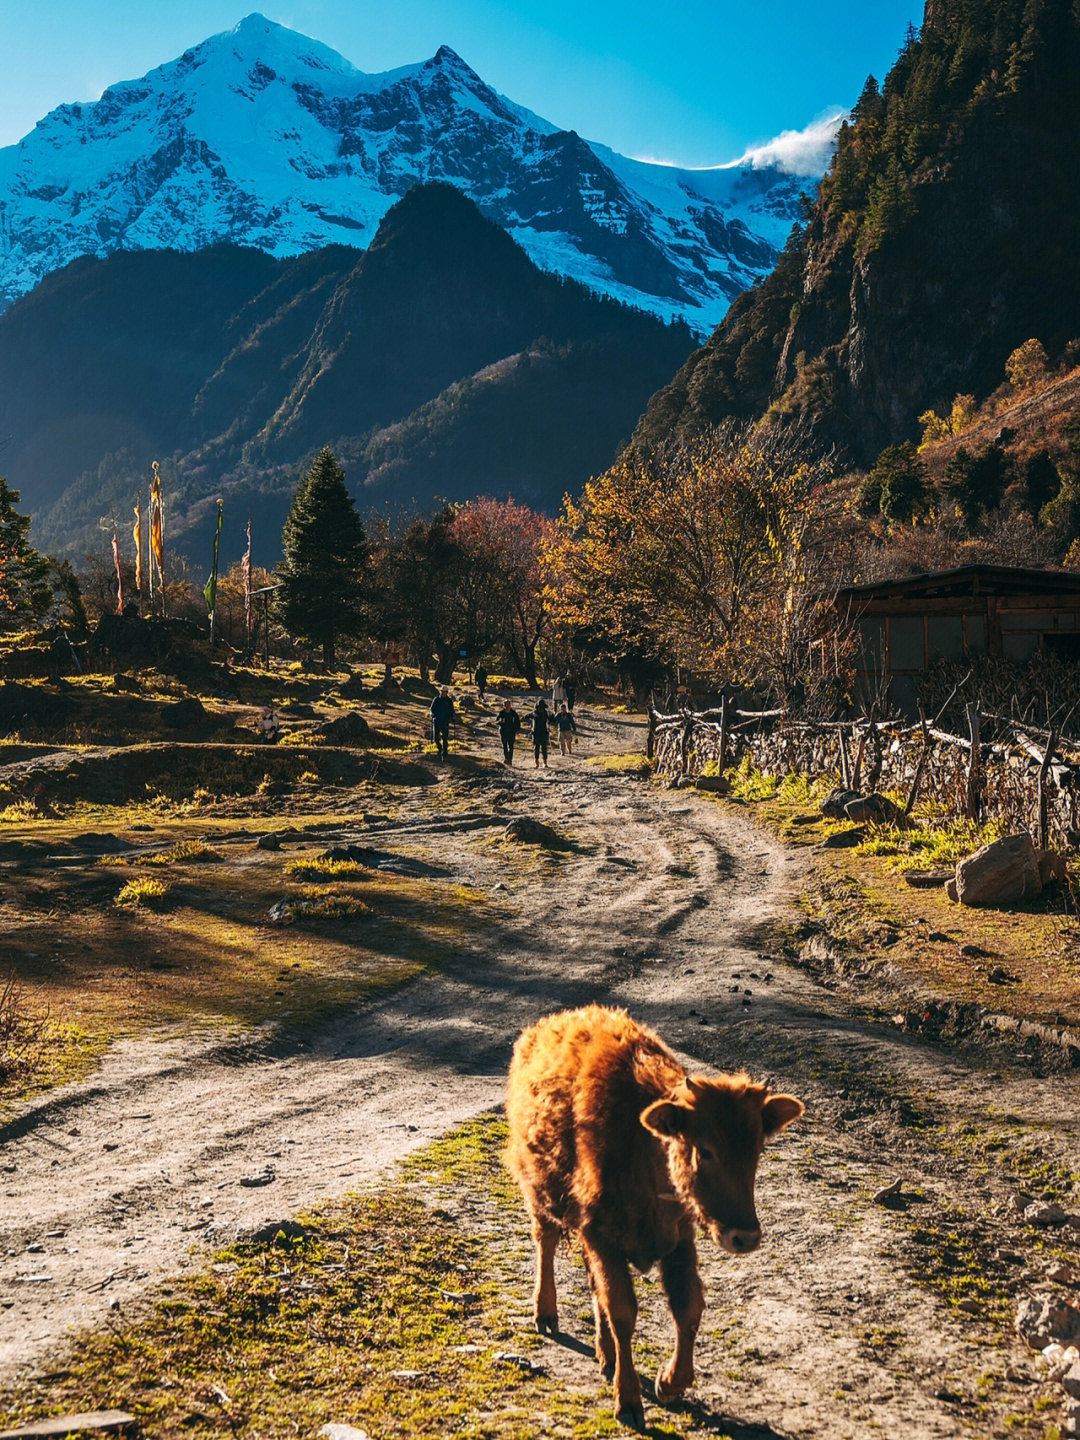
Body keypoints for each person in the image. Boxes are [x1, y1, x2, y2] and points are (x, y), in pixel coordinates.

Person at [429, 686, 455, 760]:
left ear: (447, 692)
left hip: (445, 721)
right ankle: (440, 749)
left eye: (445, 692)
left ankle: (445, 753)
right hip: (436, 721)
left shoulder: (449, 701)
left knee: (445, 738)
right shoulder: (436, 699)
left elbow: (451, 710)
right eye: (442, 691)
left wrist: (452, 717)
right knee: (436, 738)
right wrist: (432, 714)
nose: (443, 693)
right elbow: (432, 709)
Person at [496, 698, 522, 765]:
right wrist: (500, 722)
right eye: (506, 705)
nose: (508, 706)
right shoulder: (502, 713)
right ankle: (507, 758)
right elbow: (496, 720)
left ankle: (509, 759)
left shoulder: (513, 713)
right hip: (503, 731)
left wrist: (517, 729)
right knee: (504, 746)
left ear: (510, 705)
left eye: (509, 705)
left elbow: (518, 721)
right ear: (504, 705)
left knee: (511, 746)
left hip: (511, 731)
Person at [531, 697, 551, 768]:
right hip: (536, 733)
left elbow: (551, 719)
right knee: (536, 748)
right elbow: (527, 716)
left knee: (544, 748)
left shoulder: (546, 713)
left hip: (544, 733)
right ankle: (537, 763)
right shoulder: (534, 713)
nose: (541, 709)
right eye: (540, 707)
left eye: (542, 707)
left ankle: (545, 763)